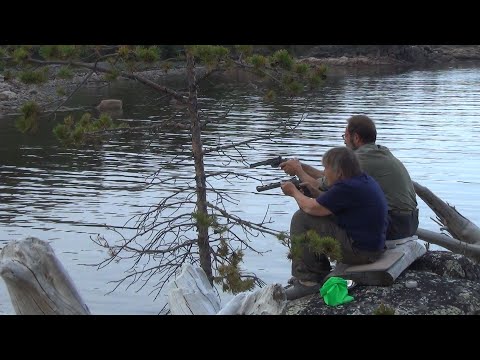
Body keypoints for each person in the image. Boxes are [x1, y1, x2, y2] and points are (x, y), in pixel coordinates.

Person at [280, 114, 418, 241]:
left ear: (356, 138)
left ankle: (313, 267)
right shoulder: (378, 152)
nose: (344, 141)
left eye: (345, 136)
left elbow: (321, 185)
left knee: (306, 218)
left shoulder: (360, 159)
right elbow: (329, 178)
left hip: (396, 225)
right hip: (408, 221)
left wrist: (298, 172)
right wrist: (303, 167)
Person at [281, 146, 388, 300]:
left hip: (361, 253)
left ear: (339, 172)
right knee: (313, 215)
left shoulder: (347, 187)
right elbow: (334, 204)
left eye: (326, 168)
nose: (324, 173)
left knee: (301, 218)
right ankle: (318, 271)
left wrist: (293, 191)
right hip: (372, 248)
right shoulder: (361, 180)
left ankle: (307, 282)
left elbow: (310, 208)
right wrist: (314, 192)